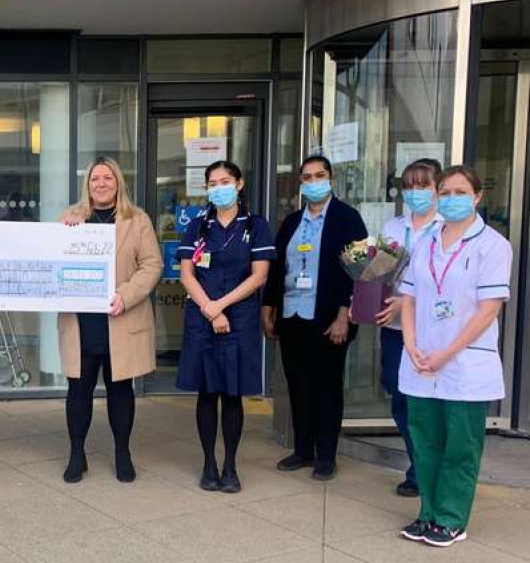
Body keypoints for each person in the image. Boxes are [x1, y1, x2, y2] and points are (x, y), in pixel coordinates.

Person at [398, 165, 511, 547]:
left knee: (460, 447)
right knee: (425, 442)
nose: (450, 199)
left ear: (477, 197)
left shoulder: (493, 245)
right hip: (421, 360)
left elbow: (488, 309)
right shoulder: (426, 242)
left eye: (460, 192)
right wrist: (411, 343)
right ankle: (428, 512)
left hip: (464, 363)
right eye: (444, 192)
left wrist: (445, 353)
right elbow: (409, 298)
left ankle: (451, 519)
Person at [262, 155, 368, 480]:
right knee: (298, 385)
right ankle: (303, 450)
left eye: (319, 175)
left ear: (331, 178)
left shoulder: (349, 218)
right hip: (293, 316)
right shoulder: (291, 222)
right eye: (306, 177)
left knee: (327, 388)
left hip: (328, 320)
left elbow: (359, 271)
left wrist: (343, 316)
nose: (313, 182)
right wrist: (268, 310)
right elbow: (277, 270)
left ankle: (326, 456)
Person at [58, 156, 162, 483]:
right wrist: (65, 236)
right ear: (87, 185)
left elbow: (152, 265)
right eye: (94, 179)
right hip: (82, 321)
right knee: (79, 390)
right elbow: (52, 261)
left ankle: (122, 452)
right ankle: (77, 453)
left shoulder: (138, 219)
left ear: (118, 183)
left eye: (107, 178)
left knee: (120, 390)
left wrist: (126, 295)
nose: (101, 184)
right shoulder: (70, 219)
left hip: (120, 318)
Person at [176, 161, 276, 492]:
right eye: (212, 183)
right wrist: (209, 308)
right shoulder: (197, 226)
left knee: (232, 395)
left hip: (239, 318)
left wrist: (220, 307)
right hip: (203, 319)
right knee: (207, 392)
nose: (219, 187)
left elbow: (259, 276)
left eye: (225, 181)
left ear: (239, 184)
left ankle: (230, 467)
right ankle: (208, 464)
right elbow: (187, 274)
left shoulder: (256, 226)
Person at [377, 159, 443, 497]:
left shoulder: (448, 228)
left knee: (429, 399)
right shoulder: (393, 227)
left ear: (437, 188)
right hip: (394, 327)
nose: (415, 193)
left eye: (423, 185)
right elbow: (381, 273)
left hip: (433, 327)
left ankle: (424, 470)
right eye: (409, 186)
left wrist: (409, 302)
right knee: (400, 397)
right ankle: (418, 460)